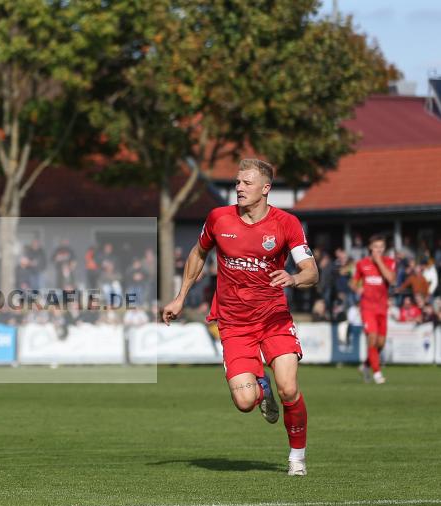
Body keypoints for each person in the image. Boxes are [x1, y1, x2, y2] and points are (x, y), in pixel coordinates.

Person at [162, 159, 318, 476]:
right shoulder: (219, 218)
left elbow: (311, 271)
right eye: (237, 182)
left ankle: (297, 458)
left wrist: (294, 278)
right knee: (246, 402)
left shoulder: (286, 223)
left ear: (266, 188)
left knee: (289, 388)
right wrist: (180, 298)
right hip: (234, 324)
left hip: (274, 319)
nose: (239, 188)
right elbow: (198, 253)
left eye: (247, 183)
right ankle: (262, 387)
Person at [350, 235, 395, 385]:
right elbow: (353, 282)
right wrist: (357, 288)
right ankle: (377, 373)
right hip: (367, 307)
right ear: (370, 247)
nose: (379, 250)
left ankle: (366, 365)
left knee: (380, 343)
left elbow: (392, 280)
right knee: (372, 338)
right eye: (376, 247)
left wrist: (379, 262)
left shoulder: (389, 262)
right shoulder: (362, 264)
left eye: (381, 247)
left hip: (382, 307)